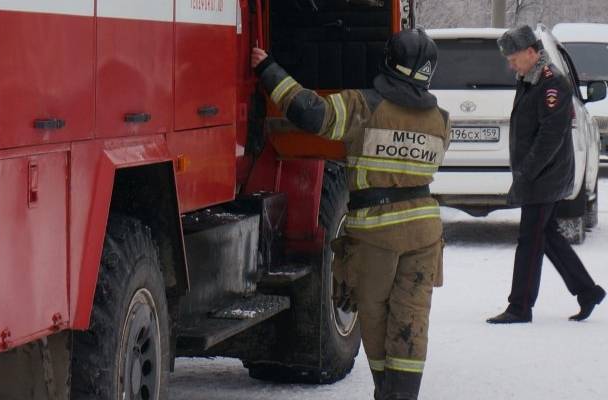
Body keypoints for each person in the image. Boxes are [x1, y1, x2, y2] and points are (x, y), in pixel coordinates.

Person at [252, 29, 450, 400]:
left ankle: (385, 394)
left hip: (376, 234)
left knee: (374, 317)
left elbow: (311, 114)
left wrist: (268, 69)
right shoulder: (440, 119)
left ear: (389, 63)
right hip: (425, 233)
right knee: (412, 320)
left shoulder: (363, 105)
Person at [487, 25, 605, 324]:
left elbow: (549, 137)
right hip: (539, 173)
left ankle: (520, 307)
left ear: (531, 52)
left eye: (513, 57)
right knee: (547, 235)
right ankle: (587, 291)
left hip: (545, 176)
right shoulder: (530, 79)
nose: (510, 64)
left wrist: (526, 173)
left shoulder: (552, 84)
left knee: (530, 239)